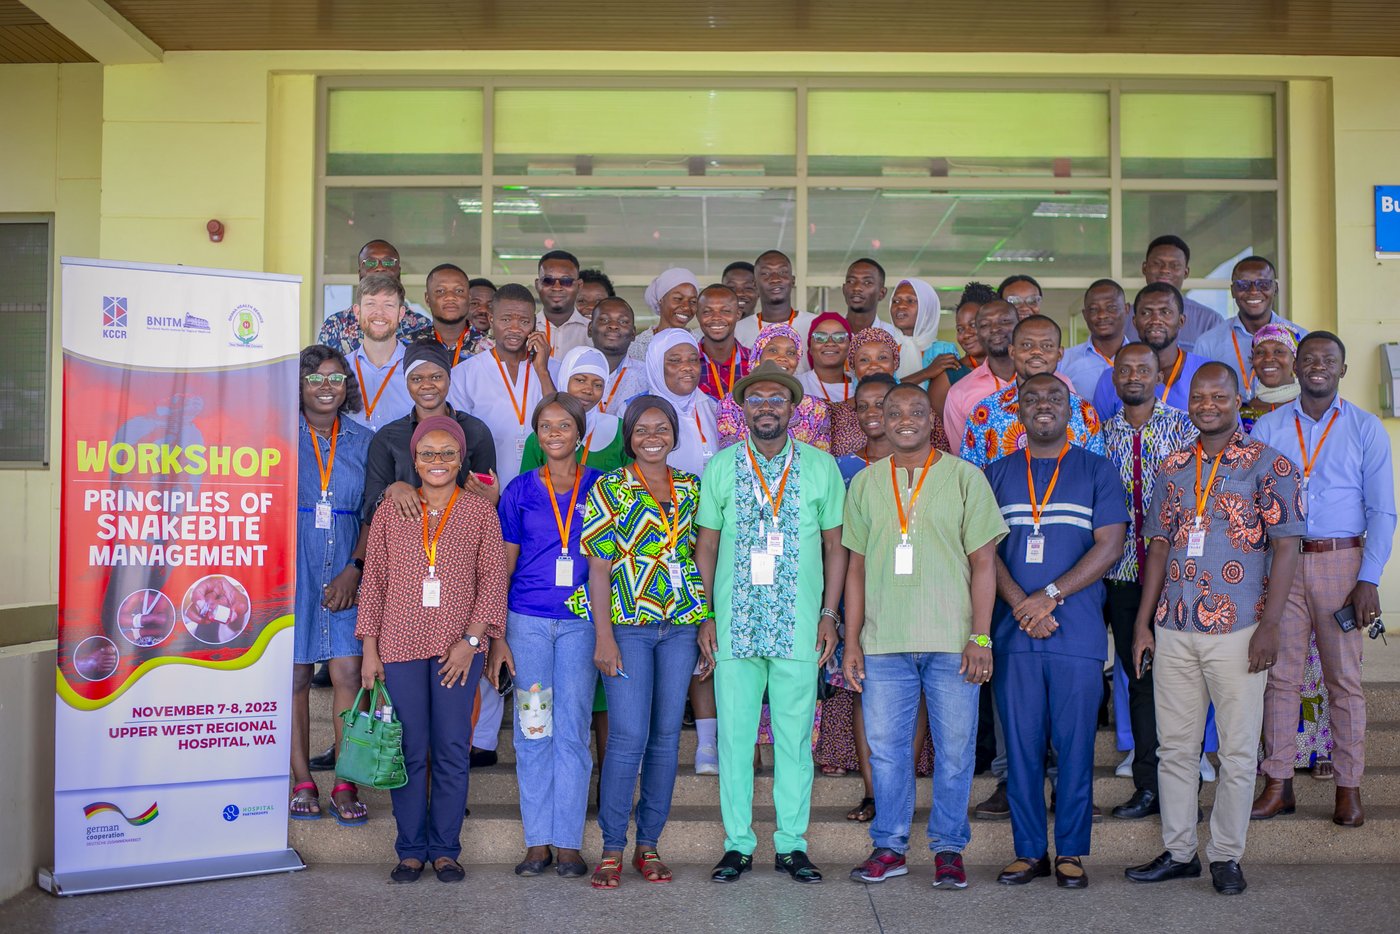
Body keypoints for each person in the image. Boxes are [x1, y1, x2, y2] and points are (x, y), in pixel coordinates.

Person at [1126, 363, 1304, 896]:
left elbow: (1287, 546)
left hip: (1240, 629)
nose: (1207, 404)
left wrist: (1270, 625)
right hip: (1174, 625)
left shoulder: (1269, 465)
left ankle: (1226, 855)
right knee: (1175, 749)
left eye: (1219, 396)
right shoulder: (1173, 465)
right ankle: (1180, 851)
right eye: (1199, 396)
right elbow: (1157, 545)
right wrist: (1142, 623)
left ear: (1237, 400)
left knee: (1236, 749)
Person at [842, 384, 1008, 888]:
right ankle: (889, 847)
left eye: (916, 411)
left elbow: (985, 563)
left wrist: (981, 638)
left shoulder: (965, 477)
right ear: (882, 421)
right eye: (894, 412)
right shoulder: (866, 482)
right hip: (884, 642)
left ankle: (948, 849)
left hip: (951, 641)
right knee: (888, 751)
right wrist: (852, 641)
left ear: (932, 417)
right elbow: (856, 567)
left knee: (955, 751)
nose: (904, 419)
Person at [695, 361, 847, 885]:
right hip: (735, 624)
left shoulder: (822, 466)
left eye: (776, 399)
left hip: (800, 625)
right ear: (742, 408)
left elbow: (835, 546)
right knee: (735, 741)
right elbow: (707, 545)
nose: (766, 407)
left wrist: (830, 614)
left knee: (793, 741)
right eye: (756, 399)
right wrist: (706, 615)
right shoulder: (720, 466)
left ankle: (791, 845)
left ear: (792, 407)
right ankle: (738, 845)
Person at [984, 374, 1128, 889]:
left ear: (1071, 410)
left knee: (1074, 747)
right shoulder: (996, 473)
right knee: (1021, 747)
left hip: (1077, 632)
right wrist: (1023, 603)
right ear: (1017, 410)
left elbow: (1110, 546)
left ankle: (1070, 851)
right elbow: (982, 552)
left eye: (1054, 398)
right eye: (1032, 398)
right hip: (1014, 633)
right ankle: (1028, 851)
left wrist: (1049, 597)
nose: (1042, 405)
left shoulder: (1097, 470)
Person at [1252, 331, 1396, 828]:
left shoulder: (1365, 428)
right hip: (1282, 563)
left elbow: (1383, 510)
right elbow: (1252, 506)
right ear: (1295, 368)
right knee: (1280, 677)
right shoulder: (1268, 428)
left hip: (1342, 563)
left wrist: (1369, 579)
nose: (1317, 366)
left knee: (1344, 681)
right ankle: (1278, 784)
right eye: (1309, 359)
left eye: (1328, 360)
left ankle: (1349, 788)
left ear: (1343, 369)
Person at [357, 415, 508, 884]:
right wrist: (369, 649)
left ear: (461, 459)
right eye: (428, 454)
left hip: (457, 649)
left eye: (448, 453)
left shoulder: (479, 511)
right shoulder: (392, 509)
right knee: (408, 748)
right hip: (398, 644)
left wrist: (471, 642)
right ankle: (410, 850)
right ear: (415, 460)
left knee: (449, 748)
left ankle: (444, 849)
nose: (438, 461)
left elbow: (492, 580)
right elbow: (375, 581)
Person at [576, 396, 708, 889]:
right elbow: (599, 568)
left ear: (675, 434)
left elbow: (702, 555)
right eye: (642, 430)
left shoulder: (692, 489)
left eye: (662, 428)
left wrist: (705, 621)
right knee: (629, 736)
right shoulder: (611, 487)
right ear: (629, 437)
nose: (653, 437)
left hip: (680, 626)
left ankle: (648, 844)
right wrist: (604, 635)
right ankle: (613, 847)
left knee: (666, 738)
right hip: (629, 625)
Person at [489, 394, 603, 878]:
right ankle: (537, 842)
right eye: (546, 426)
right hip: (528, 622)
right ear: (537, 435)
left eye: (564, 425)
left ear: (581, 434)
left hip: (582, 623)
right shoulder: (518, 491)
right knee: (535, 730)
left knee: (573, 731)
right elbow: (504, 564)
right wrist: (497, 634)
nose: (555, 433)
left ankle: (569, 843)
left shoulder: (602, 486)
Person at [1099, 343, 1198, 820]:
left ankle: (1184, 787)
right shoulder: (1099, 436)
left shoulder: (1185, 428)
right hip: (1121, 578)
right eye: (1125, 369)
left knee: (1181, 684)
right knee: (1139, 679)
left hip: (1179, 577)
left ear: (1160, 374)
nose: (1134, 376)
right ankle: (1147, 786)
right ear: (1114, 378)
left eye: (1144, 368)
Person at [290, 345, 373, 826]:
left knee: (346, 674)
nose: (326, 387)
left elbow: (372, 512)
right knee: (296, 676)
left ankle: (345, 780)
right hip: (292, 566)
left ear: (348, 387)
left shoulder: (365, 441)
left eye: (336, 378)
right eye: (315, 378)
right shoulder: (278, 438)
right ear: (298, 385)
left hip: (345, 565)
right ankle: (301, 778)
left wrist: (354, 569)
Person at [361, 340, 497, 526]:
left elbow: (487, 499)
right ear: (406, 382)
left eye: (436, 377)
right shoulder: (388, 437)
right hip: (405, 545)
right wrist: (392, 490)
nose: (427, 385)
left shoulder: (476, 431)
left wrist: (493, 498)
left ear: (449, 378)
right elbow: (369, 511)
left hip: (460, 542)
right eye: (416, 379)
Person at [449, 283, 557, 488]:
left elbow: (561, 420)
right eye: (506, 319)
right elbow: (459, 441)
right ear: (491, 320)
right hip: (485, 489)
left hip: (545, 489)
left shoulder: (555, 369)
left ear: (535, 324)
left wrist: (542, 371)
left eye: (524, 321)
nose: (515, 329)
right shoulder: (464, 374)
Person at [959, 315, 1103, 469]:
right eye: (1027, 345)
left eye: (1046, 346)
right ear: (1012, 352)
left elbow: (1097, 474)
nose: (1036, 352)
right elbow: (970, 478)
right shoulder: (984, 413)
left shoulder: (1084, 413)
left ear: (1059, 354)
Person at [1194, 256, 1307, 398]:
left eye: (1263, 284)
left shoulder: (1301, 338)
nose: (1253, 291)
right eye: (1243, 285)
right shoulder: (1207, 343)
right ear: (1233, 291)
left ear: (1275, 289)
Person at [1093, 283, 1209, 421]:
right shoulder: (1112, 379)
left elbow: (1231, 434)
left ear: (1181, 321)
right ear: (1135, 322)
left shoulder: (1208, 372)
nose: (1155, 320)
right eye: (1146, 313)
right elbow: (1098, 438)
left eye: (1165, 312)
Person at [717, 324, 830, 452]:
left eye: (791, 353)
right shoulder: (729, 405)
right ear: (758, 355)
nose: (782, 357)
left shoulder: (815, 409)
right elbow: (731, 458)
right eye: (773, 350)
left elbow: (819, 461)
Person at [520, 347, 630, 473]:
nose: (588, 390)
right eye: (580, 380)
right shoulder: (540, 436)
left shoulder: (619, 430)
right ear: (565, 379)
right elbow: (525, 488)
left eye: (598, 385)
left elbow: (635, 485)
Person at [317, 239, 432, 354]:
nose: (380, 267)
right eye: (371, 263)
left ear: (399, 271)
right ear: (360, 274)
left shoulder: (422, 326)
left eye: (388, 262)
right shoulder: (335, 326)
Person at [642, 328, 719, 477]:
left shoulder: (715, 407)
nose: (687, 367)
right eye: (675, 361)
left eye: (693, 359)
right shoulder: (631, 410)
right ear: (656, 365)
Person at [942, 300, 1018, 446]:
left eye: (1004, 321)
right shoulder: (959, 393)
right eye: (984, 325)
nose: (995, 328)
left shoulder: (1056, 383)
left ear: (1020, 325)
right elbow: (962, 459)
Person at [344, 273, 415, 431]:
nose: (379, 312)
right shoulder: (340, 370)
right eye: (371, 304)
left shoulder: (418, 370)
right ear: (357, 312)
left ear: (401, 313)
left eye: (388, 305)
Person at [1138, 235, 1227, 352]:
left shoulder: (1209, 320)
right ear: (1144, 268)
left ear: (1186, 272)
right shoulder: (1124, 317)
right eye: (1157, 263)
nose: (1165, 270)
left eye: (1174, 265)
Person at [734, 251, 818, 370]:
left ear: (793, 280)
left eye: (782, 272)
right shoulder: (738, 330)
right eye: (765, 273)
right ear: (755, 284)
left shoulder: (815, 325)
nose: (775, 279)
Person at [1060, 280, 1130, 399]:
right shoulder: (1064, 361)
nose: (1102, 315)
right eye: (1093, 309)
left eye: (1111, 307)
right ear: (1085, 315)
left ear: (1126, 309)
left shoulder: (1146, 358)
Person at [888, 277, 959, 388]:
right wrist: (927, 373)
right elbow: (881, 391)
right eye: (895, 301)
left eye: (910, 300)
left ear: (926, 309)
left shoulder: (944, 350)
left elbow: (953, 395)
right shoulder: (884, 349)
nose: (900, 305)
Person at [588, 296, 648, 414]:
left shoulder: (646, 376)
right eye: (604, 320)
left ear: (633, 333)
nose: (614, 326)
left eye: (623, 322)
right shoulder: (573, 372)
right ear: (590, 329)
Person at [629, 268, 701, 365]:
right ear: (660, 300)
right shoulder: (638, 347)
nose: (686, 307)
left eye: (693, 301)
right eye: (678, 298)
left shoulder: (700, 343)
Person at [1238, 323, 1301, 433]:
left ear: (1295, 361)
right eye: (1260, 352)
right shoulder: (1239, 413)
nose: (1268, 358)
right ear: (1252, 361)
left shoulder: (1308, 409)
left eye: (1279, 351)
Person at [425, 263, 490, 366]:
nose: (450, 297)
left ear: (469, 298)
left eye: (459, 291)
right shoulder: (406, 345)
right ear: (427, 299)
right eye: (440, 291)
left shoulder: (491, 349)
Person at [697, 283, 752, 401]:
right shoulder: (686, 364)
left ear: (738, 314)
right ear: (697, 315)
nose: (716, 317)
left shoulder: (755, 362)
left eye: (725, 311)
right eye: (707, 311)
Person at [535, 249, 592, 358]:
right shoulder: (525, 330)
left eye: (566, 281)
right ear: (538, 285)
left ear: (579, 286)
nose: (557, 287)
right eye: (548, 280)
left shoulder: (593, 332)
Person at [943, 282, 996, 389]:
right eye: (960, 329)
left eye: (973, 324)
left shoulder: (1014, 367)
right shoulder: (951, 375)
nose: (966, 334)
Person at [798, 312, 854, 405]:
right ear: (810, 348)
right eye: (820, 337)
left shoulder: (861, 386)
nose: (830, 342)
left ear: (849, 347)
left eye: (839, 337)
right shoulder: (796, 385)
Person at [841, 258, 900, 339]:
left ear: (882, 293)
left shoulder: (894, 337)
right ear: (844, 289)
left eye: (867, 282)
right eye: (851, 281)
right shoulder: (827, 332)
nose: (857, 287)